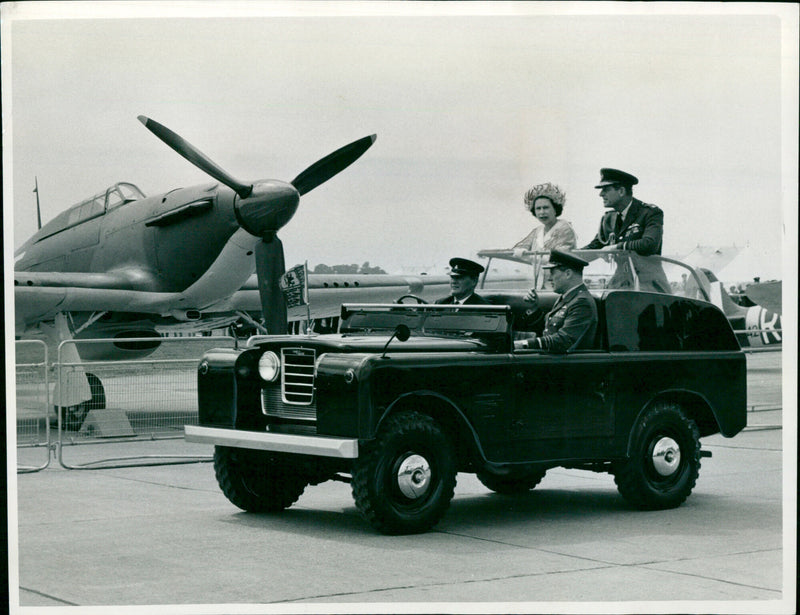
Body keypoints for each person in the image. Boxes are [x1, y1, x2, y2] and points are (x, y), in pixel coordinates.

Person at [582, 168, 670, 293]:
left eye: (606, 189)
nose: (601, 194)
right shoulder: (609, 219)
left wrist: (617, 247)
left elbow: (649, 244)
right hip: (620, 284)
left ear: (621, 191)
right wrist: (567, 256)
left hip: (648, 286)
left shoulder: (649, 212)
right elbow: (594, 247)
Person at [514, 250, 598, 352]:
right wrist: (534, 307)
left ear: (567, 274)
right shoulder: (568, 297)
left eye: (552, 273)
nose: (549, 279)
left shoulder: (582, 303)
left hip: (566, 365)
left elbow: (563, 341)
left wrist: (522, 344)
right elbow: (549, 329)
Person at [513, 182, 577, 254]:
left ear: (555, 209)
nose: (542, 212)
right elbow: (520, 247)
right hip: (538, 265)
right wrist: (520, 251)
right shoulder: (538, 231)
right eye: (538, 208)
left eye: (546, 208)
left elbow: (560, 255)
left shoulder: (565, 229)